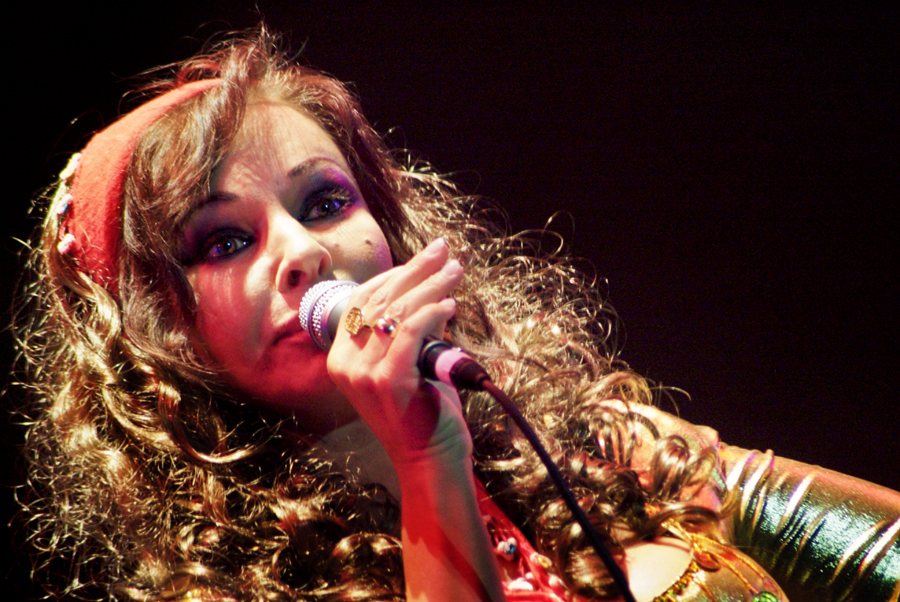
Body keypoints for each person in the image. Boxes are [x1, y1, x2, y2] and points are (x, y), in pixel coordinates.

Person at [14, 29, 899, 602]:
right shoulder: (225, 593)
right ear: (160, 341)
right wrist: (425, 455)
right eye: (221, 242)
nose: (303, 252)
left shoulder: (603, 452)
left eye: (323, 203)